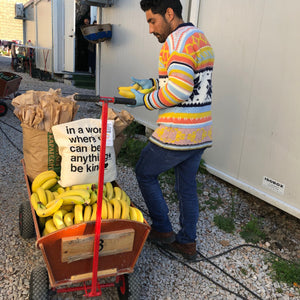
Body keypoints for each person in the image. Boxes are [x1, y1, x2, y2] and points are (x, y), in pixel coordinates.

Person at [128, 0, 214, 260]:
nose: (151, 29)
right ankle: (187, 242)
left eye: (152, 21)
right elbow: (188, 78)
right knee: (186, 187)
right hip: (200, 132)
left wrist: (147, 99)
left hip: (178, 132)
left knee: (144, 171)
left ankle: (163, 230)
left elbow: (179, 89)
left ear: (169, 13)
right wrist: (154, 82)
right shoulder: (199, 37)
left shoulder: (175, 41)